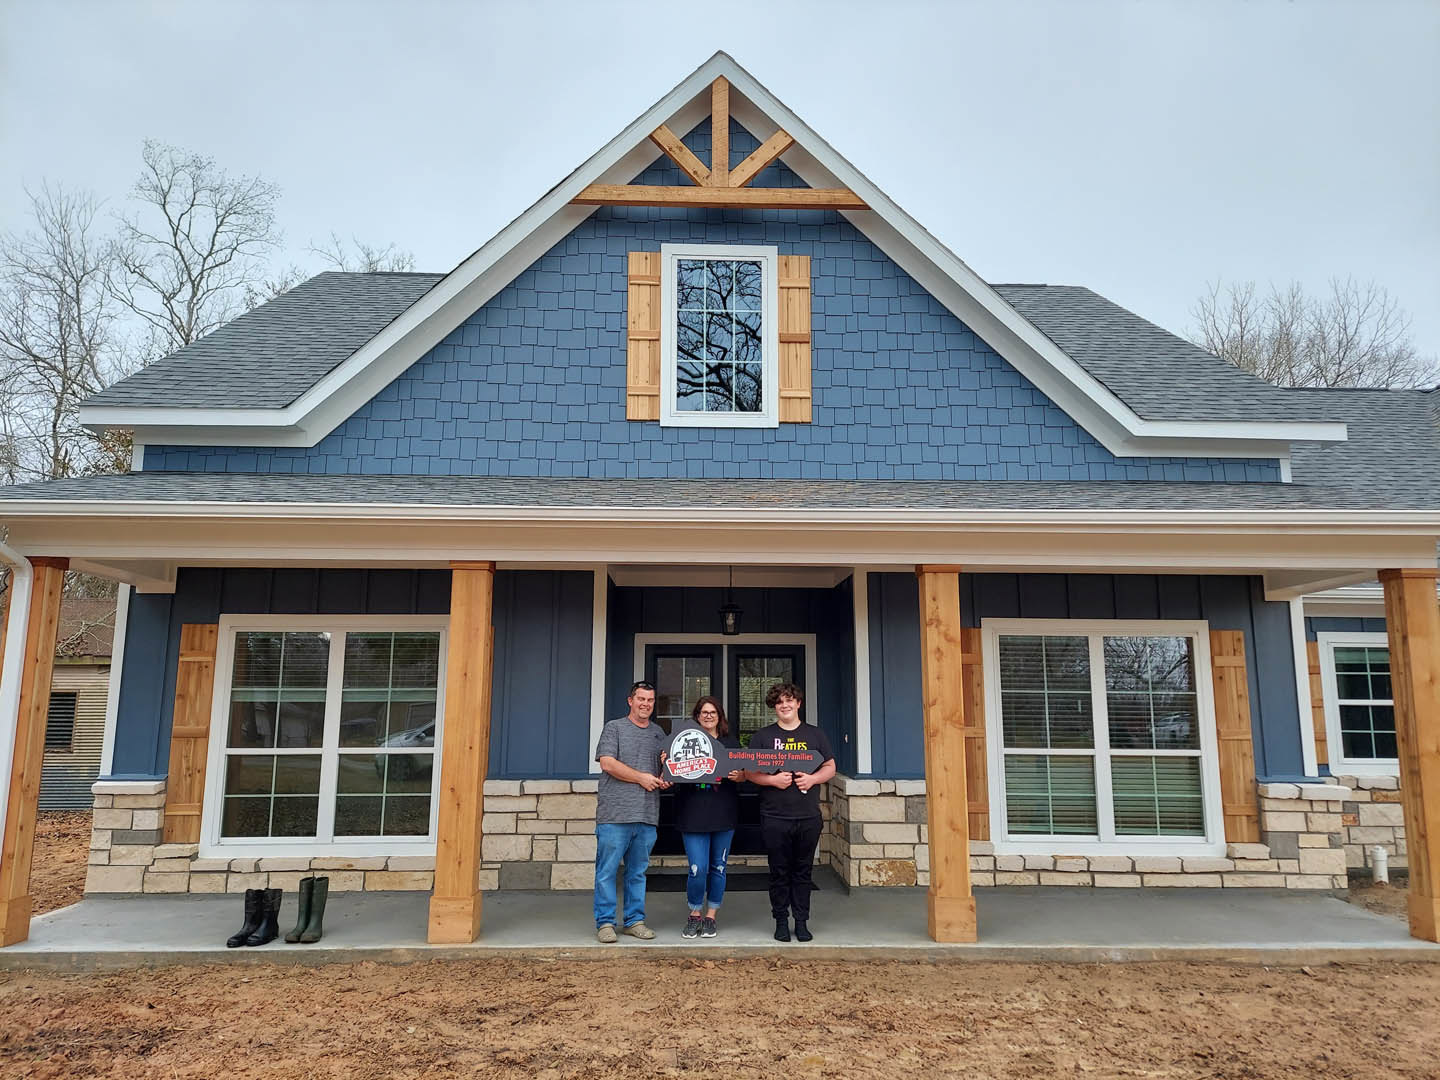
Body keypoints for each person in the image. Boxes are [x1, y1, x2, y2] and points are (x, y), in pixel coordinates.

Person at [743, 682, 836, 943]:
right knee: (779, 871)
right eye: (779, 702)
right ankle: (781, 921)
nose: (785, 705)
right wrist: (772, 781)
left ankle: (802, 922)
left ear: (798, 704)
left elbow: (830, 766)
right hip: (774, 817)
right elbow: (750, 773)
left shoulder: (815, 735)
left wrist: (813, 779)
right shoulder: (762, 737)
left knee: (803, 871)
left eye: (789, 700)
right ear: (775, 706)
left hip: (807, 816)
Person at [592, 680, 670, 943]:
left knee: (637, 872)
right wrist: (641, 778)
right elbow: (608, 763)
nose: (645, 704)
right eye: (641, 699)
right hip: (615, 814)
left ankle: (634, 921)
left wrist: (666, 776)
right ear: (630, 700)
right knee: (607, 871)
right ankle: (605, 923)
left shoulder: (659, 733)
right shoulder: (614, 728)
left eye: (650, 700)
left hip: (647, 814)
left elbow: (662, 771)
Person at [670, 695, 742, 939]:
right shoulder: (684, 742)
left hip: (723, 813)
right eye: (704, 712)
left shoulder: (731, 743)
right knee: (697, 868)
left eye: (713, 712)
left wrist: (739, 776)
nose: (708, 716)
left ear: (719, 716)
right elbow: (671, 773)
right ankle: (694, 913)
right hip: (692, 813)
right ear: (697, 716)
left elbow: (744, 775)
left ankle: (711, 916)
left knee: (719, 867)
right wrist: (666, 764)